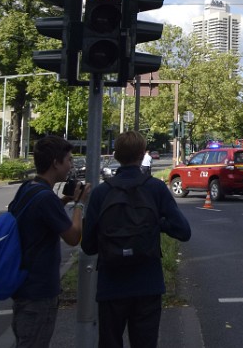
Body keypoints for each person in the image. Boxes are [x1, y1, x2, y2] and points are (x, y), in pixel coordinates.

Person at [82, 131, 191, 348]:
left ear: (116, 155)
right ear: (143, 155)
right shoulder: (155, 188)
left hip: (111, 284)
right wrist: (156, 225)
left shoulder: (101, 193)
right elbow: (183, 231)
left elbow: (88, 246)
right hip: (147, 282)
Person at [12, 135, 90, 348]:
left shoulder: (29, 188)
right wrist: (80, 205)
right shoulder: (46, 198)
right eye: (69, 160)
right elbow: (73, 237)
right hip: (39, 292)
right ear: (56, 162)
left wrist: (66, 199)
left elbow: (41, 216)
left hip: (24, 286)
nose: (71, 165)